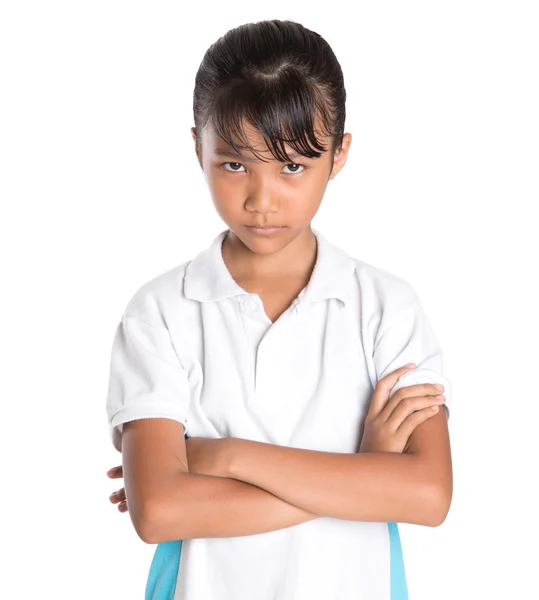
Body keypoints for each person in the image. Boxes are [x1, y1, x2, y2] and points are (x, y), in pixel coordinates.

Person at [105, 18, 453, 600]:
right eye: (235, 164)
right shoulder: (161, 312)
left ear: (339, 155)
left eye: (292, 165)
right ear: (198, 147)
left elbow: (427, 496)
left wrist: (219, 456)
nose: (262, 200)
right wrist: (361, 474)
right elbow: (161, 511)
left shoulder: (386, 308)